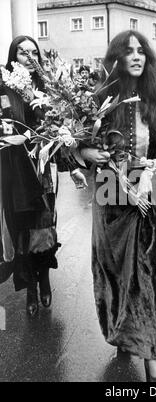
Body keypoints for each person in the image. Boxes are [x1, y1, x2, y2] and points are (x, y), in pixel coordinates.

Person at [79, 30, 156, 382]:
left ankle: (152, 355)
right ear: (117, 59)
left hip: (144, 203)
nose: (136, 57)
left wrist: (155, 165)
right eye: (129, 51)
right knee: (114, 274)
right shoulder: (100, 99)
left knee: (146, 274)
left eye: (142, 52)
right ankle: (125, 332)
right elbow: (73, 146)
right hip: (109, 205)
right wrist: (85, 152)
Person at [0, 36, 84, 316]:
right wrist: (13, 135)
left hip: (42, 169)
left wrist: (72, 167)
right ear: (14, 56)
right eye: (22, 52)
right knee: (22, 229)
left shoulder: (48, 90)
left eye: (33, 52)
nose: (28, 56)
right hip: (14, 169)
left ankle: (45, 277)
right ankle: (31, 289)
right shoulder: (4, 87)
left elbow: (58, 132)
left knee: (44, 227)